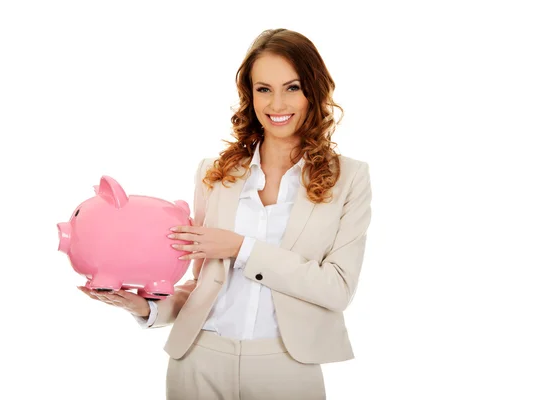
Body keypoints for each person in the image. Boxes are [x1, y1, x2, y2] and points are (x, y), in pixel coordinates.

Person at [78, 28, 372, 400]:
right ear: (250, 95)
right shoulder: (213, 173)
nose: (277, 104)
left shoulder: (349, 179)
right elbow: (200, 286)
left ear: (314, 90)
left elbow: (337, 288)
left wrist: (241, 248)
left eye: (292, 87)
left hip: (286, 366)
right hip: (199, 359)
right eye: (263, 89)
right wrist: (146, 307)